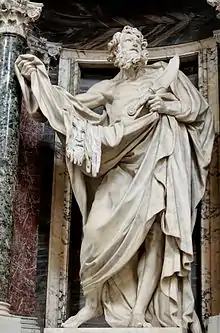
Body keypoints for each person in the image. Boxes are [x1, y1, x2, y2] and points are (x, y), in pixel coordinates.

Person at [15, 26, 214, 332]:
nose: (128, 50)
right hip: (120, 168)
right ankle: (92, 305)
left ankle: (137, 314)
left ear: (143, 50)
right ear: (115, 55)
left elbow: (200, 112)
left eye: (134, 44)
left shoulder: (164, 77)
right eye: (122, 46)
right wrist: (40, 80)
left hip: (157, 165)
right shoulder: (109, 88)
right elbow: (72, 106)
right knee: (94, 234)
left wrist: (167, 107)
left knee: (153, 239)